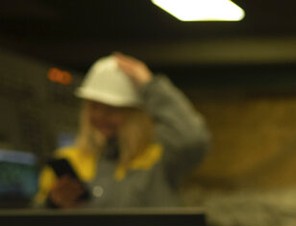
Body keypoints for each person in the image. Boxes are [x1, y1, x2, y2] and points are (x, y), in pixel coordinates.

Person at [36, 52, 210, 209]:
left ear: (136, 115)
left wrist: (151, 86)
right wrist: (52, 204)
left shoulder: (159, 159)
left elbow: (193, 139)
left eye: (112, 110)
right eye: (94, 107)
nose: (100, 116)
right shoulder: (69, 160)